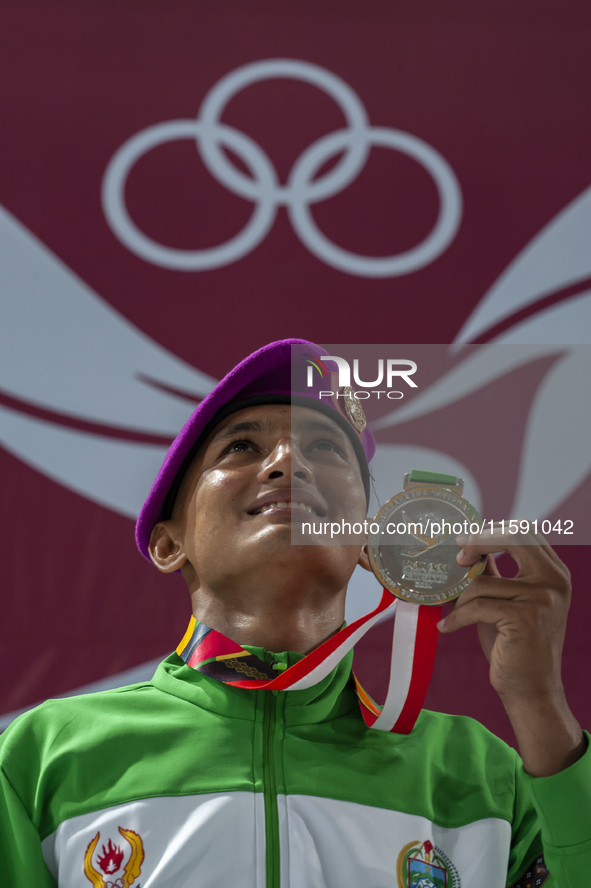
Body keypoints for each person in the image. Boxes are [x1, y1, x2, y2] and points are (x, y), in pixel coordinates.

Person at [0, 338, 588, 888]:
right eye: (241, 446)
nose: (289, 463)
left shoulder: (478, 773)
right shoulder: (44, 755)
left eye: (326, 448)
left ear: (368, 541)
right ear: (168, 543)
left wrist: (538, 703)